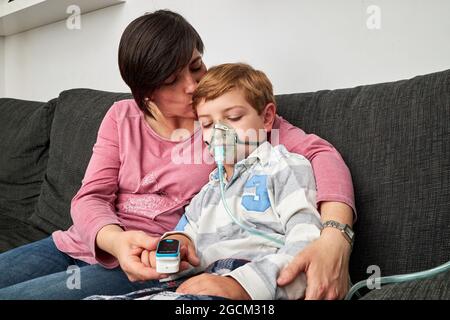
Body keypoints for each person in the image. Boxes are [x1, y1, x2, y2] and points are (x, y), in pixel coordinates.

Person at [0, 10, 355, 300]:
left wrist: (335, 237)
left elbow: (320, 154)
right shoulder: (121, 117)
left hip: (154, 264)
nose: (192, 85)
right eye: (172, 80)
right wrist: (116, 240)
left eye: (196, 66)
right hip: (80, 243)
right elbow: (89, 198)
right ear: (145, 93)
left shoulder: (226, 120)